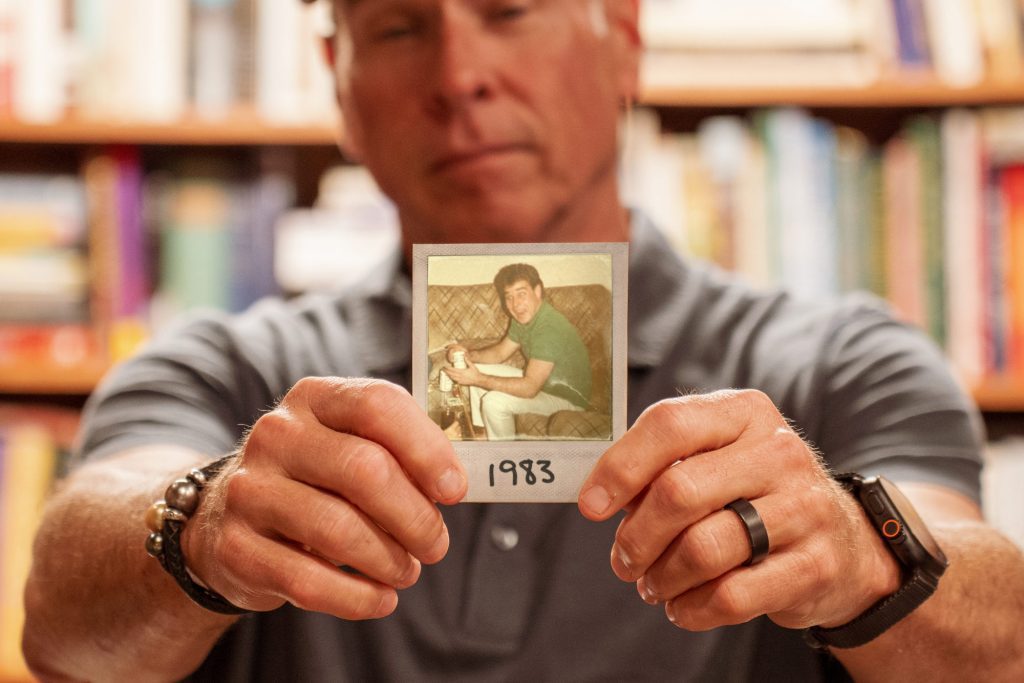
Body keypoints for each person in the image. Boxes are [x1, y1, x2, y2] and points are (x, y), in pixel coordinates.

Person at [21, 0, 1024, 680]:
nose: (460, 76)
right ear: (339, 85)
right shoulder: (218, 368)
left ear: (622, 37)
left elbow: (999, 634)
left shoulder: (845, 360)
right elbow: (59, 625)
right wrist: (201, 526)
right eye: (400, 26)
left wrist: (858, 550)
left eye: (509, 11)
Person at [443, 262, 592, 440]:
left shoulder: (549, 328)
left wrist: (478, 379)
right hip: (543, 385)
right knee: (478, 367)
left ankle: (502, 451)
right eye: (509, 297)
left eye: (521, 294)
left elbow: (530, 388)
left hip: (567, 400)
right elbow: (500, 353)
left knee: (493, 402)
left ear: (537, 291)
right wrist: (468, 355)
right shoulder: (524, 318)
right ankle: (485, 433)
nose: (515, 304)